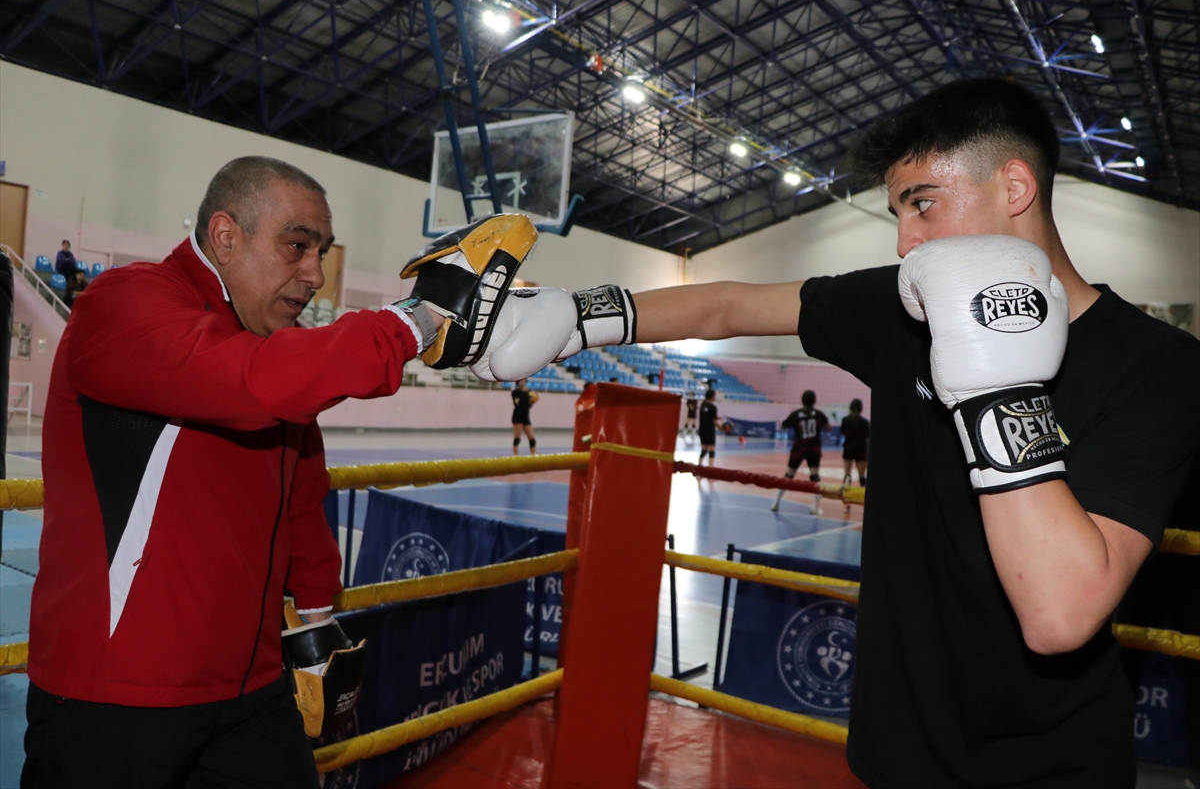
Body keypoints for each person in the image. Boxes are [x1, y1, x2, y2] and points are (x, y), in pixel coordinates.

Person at [469, 77, 1200, 786]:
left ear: (1014, 188)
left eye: (924, 204)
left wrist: (997, 386)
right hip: (893, 753)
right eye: (898, 217)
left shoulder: (1157, 367)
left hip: (1054, 768)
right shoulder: (902, 311)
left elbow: (1058, 615)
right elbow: (725, 306)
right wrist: (577, 313)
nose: (907, 242)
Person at [23, 155, 535, 788]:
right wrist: (418, 318)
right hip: (117, 694)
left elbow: (299, 491)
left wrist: (317, 618)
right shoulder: (124, 305)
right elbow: (250, 383)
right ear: (225, 235)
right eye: (297, 246)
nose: (315, 274)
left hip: (252, 689)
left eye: (321, 252)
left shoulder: (268, 346)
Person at [771, 389, 829, 511]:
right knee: (815, 477)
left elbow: (783, 425)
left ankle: (776, 503)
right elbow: (829, 427)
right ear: (814, 401)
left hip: (799, 449)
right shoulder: (819, 414)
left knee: (789, 475)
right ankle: (815, 507)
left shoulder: (796, 414)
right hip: (814, 449)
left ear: (802, 401)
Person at [840, 398, 869, 489]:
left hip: (848, 448)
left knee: (847, 476)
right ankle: (864, 498)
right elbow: (867, 439)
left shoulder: (845, 420)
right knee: (862, 478)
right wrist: (867, 451)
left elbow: (843, 433)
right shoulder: (865, 422)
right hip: (860, 449)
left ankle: (845, 497)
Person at [512, 378, 537, 454]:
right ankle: (515, 457)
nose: (522, 382)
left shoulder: (530, 392)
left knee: (532, 439)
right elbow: (516, 403)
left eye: (524, 381)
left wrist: (532, 400)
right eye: (520, 381)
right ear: (518, 382)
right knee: (517, 438)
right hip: (517, 416)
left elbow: (529, 405)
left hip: (526, 416)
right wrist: (527, 398)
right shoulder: (515, 392)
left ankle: (534, 457)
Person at [697, 388, 719, 464]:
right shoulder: (713, 407)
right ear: (712, 396)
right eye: (715, 395)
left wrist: (716, 417)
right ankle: (711, 469)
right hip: (709, 431)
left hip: (702, 430)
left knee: (704, 449)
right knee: (711, 450)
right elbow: (714, 422)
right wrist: (723, 429)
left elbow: (707, 416)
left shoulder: (703, 405)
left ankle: (699, 467)